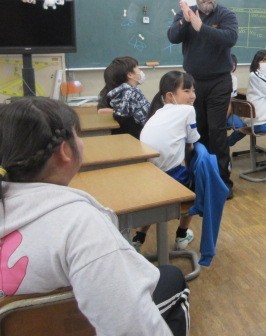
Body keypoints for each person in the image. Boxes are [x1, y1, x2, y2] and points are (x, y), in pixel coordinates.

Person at [0, 97, 190, 335]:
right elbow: (131, 327)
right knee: (171, 277)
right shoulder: (81, 225)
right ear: (65, 151)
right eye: (77, 135)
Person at [168, 0, 238, 196]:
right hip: (193, 84)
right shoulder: (185, 14)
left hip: (219, 81)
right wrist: (185, 20)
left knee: (217, 132)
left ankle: (223, 184)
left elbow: (230, 38)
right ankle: (199, 179)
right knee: (196, 132)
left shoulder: (226, 15)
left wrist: (202, 28)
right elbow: (172, 37)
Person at [134, 71, 200, 251]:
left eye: (193, 90)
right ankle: (181, 235)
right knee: (200, 184)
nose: (193, 95)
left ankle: (138, 238)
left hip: (147, 176)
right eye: (186, 91)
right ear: (170, 96)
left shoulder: (158, 113)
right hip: (168, 177)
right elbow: (193, 139)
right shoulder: (188, 110)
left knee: (154, 204)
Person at [97, 55, 150, 139]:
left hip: (127, 137)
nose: (141, 72)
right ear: (130, 74)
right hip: (138, 137)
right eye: (138, 69)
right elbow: (148, 119)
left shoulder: (117, 93)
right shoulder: (133, 93)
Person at [227, 54, 247, 148]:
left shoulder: (233, 79)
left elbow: (231, 101)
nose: (232, 66)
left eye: (234, 64)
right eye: (230, 63)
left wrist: (224, 117)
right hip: (214, 113)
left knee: (243, 128)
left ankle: (226, 143)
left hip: (227, 112)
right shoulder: (214, 79)